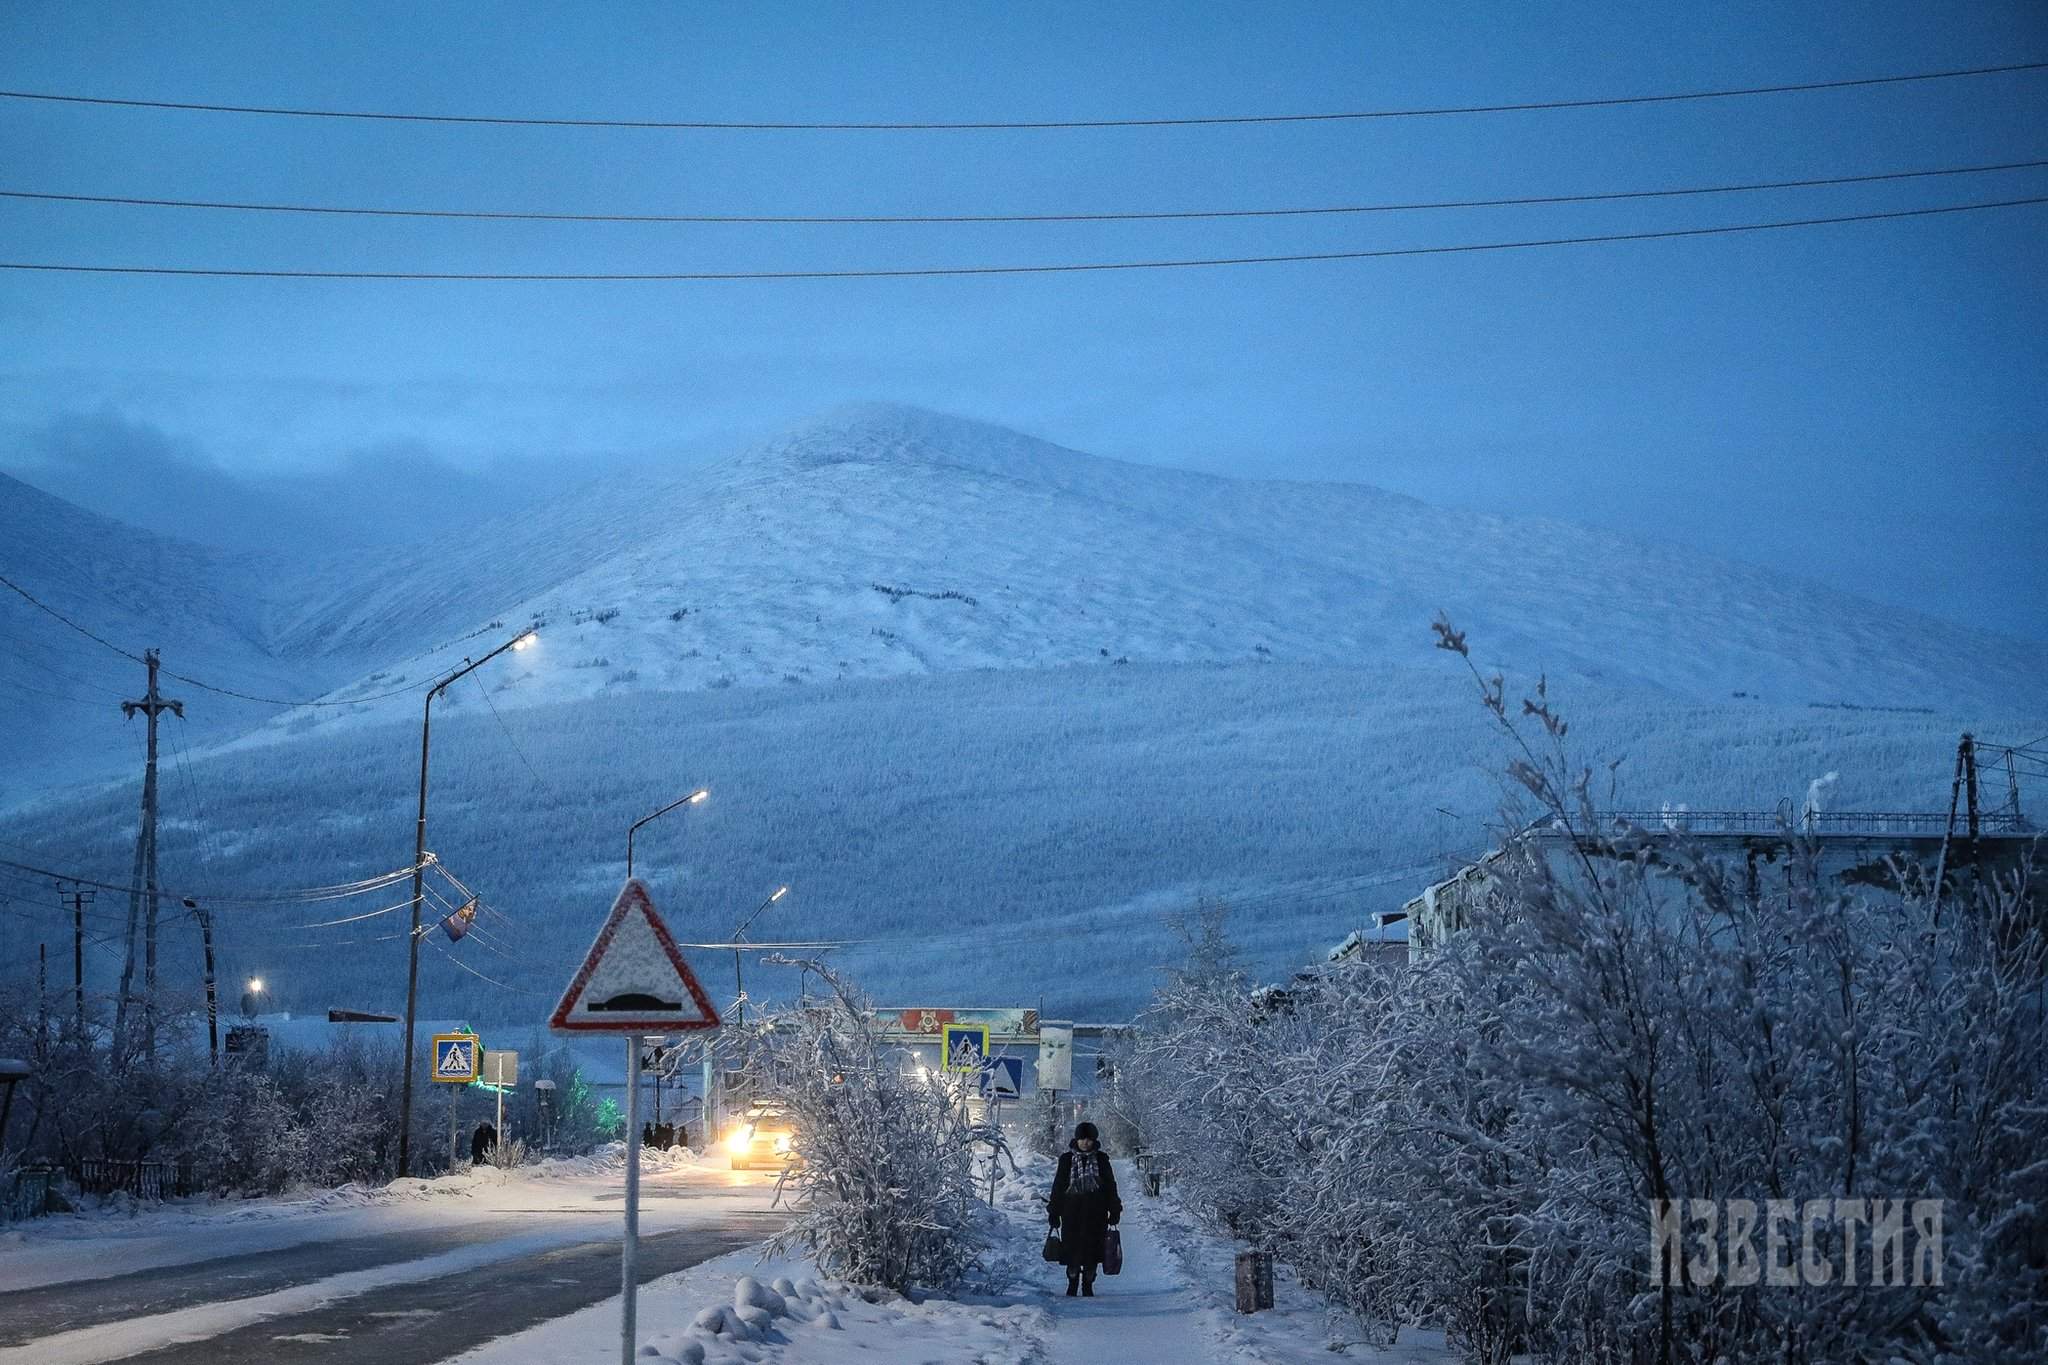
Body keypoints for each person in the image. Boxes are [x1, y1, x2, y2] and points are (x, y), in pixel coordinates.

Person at [1048, 1121, 1121, 1297]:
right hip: (1071, 1212)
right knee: (1072, 1250)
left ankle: (1088, 1283)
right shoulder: (1066, 1159)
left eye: (1089, 1139)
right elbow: (1058, 1186)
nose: (1085, 1143)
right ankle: (1072, 1283)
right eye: (1082, 1139)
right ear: (1076, 1139)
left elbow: (1110, 1185)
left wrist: (1115, 1209)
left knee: (1092, 1251)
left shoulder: (1101, 1159)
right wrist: (1054, 1211)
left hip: (1096, 1212)